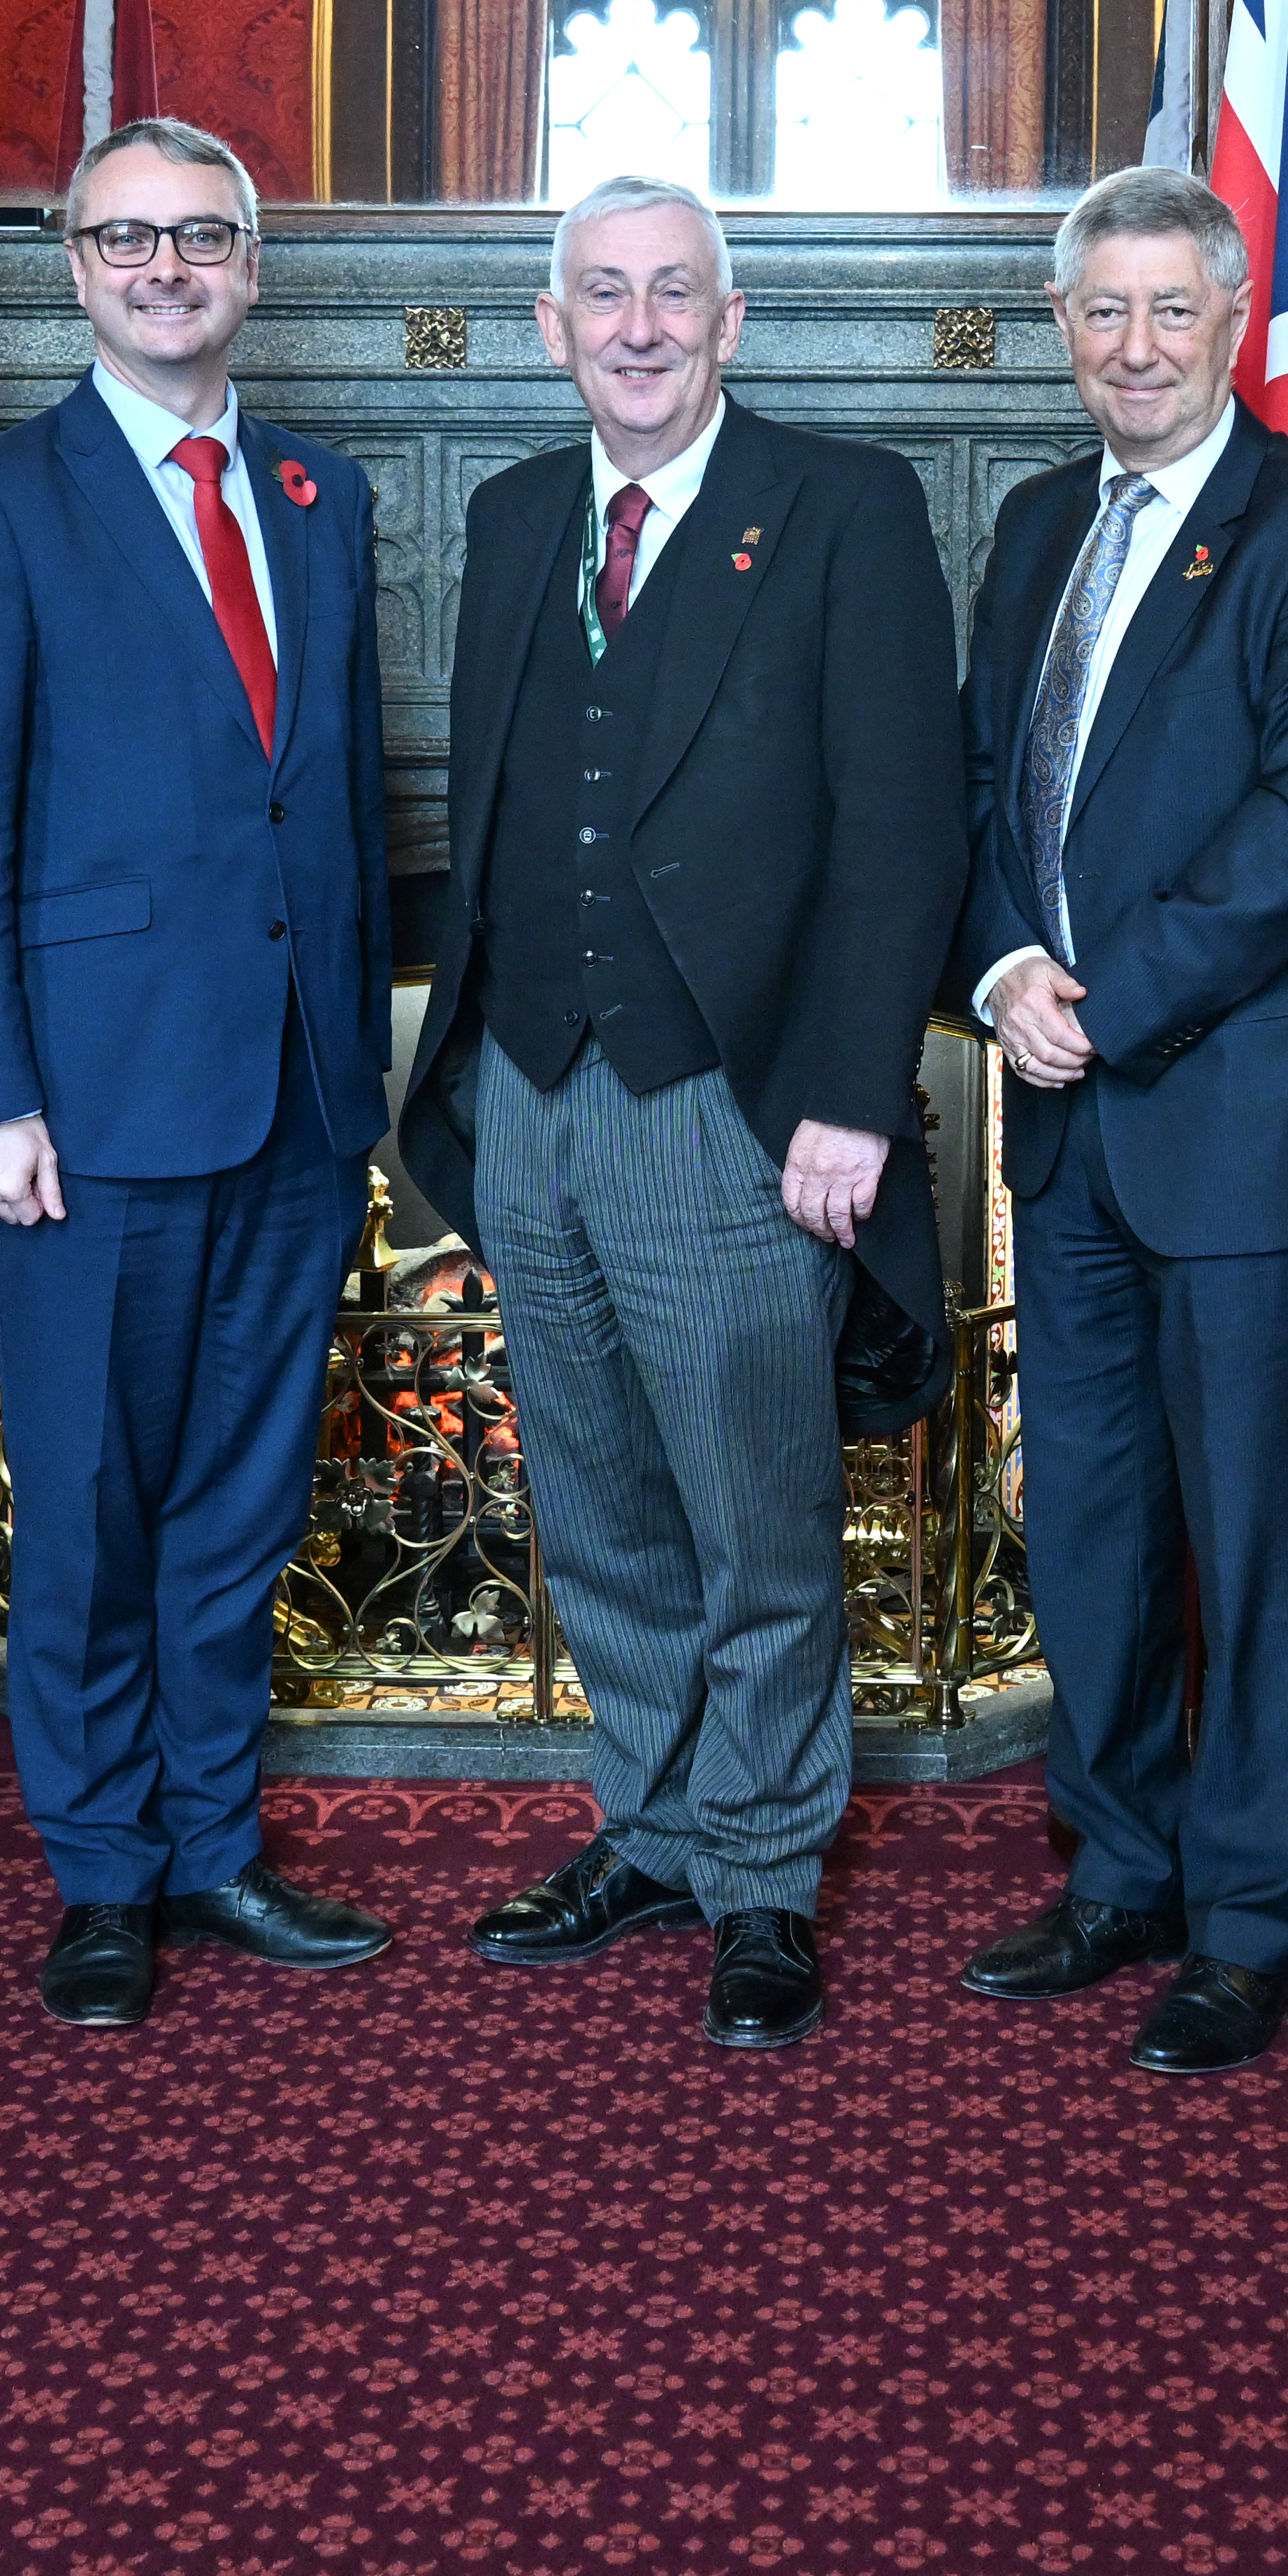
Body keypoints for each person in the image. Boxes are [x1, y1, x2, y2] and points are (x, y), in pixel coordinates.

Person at [401, 175, 970, 2052]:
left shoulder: (846, 507)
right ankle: (647, 1825)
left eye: (675, 293)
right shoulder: (504, 515)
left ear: (731, 323)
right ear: (552, 328)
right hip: (529, 1093)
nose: (638, 324)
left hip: (731, 1103)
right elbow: (499, 811)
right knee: (602, 1499)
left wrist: (851, 1100)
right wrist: (472, 1070)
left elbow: (902, 831)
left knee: (756, 1513)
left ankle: (763, 1872)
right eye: (602, 294)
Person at [0, 120, 395, 2029]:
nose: (164, 265)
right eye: (126, 238)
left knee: (242, 1504)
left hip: (294, 1095)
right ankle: (98, 1871)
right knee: (93, 1505)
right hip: (86, 1110)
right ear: (75, 268)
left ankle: (213, 1840)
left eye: (201, 234)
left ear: (251, 265)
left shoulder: (320, 493)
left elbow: (326, 805)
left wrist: (356, 1066)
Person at [948, 168, 1288, 2077]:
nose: (1133, 346)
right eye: (1100, 312)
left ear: (1232, 316)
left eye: (1169, 309)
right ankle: (1118, 1861)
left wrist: (1105, 997)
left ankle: (1241, 1911)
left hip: (1230, 1111)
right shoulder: (1039, 519)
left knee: (1242, 1530)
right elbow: (982, 794)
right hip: (1058, 1112)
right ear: (1063, 326)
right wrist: (999, 976)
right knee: (1099, 1528)